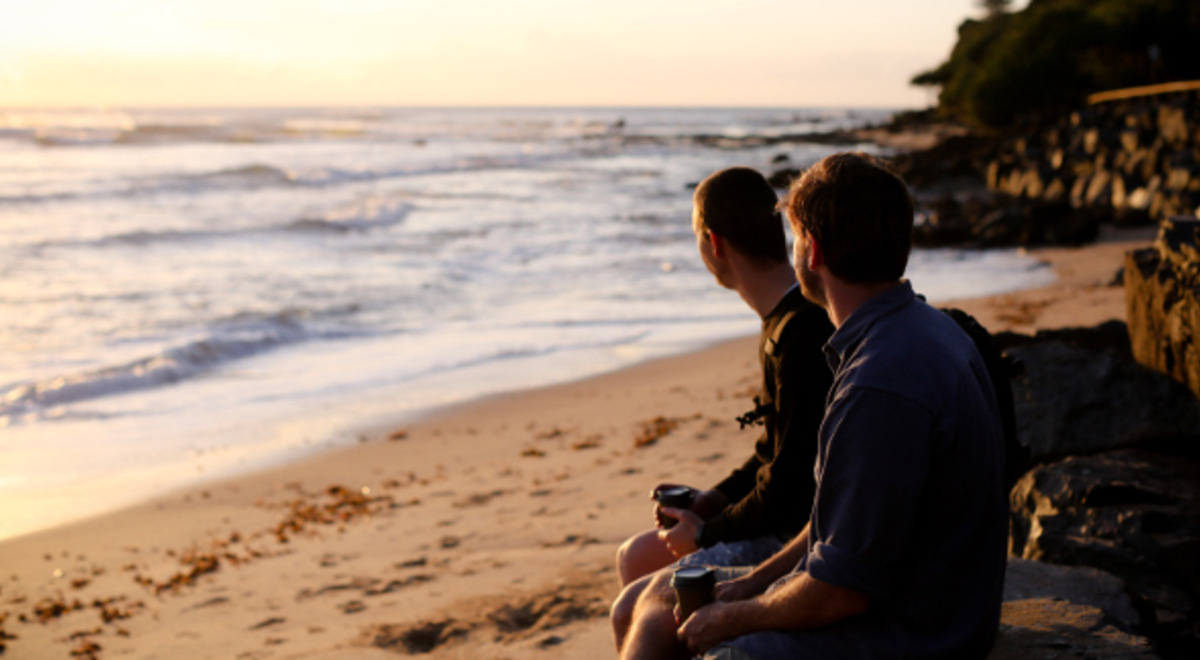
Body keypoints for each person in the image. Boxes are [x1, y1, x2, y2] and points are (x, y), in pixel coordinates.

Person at [618, 152, 1008, 660]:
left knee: (684, 629)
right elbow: (836, 525)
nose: (791, 248)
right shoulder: (916, 330)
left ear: (814, 250)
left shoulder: (878, 384)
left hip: (914, 632)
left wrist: (733, 615)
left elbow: (840, 592)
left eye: (795, 236)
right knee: (658, 596)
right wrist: (748, 584)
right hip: (931, 602)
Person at [611, 167, 834, 647]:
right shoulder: (785, 318)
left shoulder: (801, 335)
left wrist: (708, 532)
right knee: (636, 556)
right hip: (790, 515)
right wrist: (712, 499)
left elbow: (790, 486)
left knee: (631, 605)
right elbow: (774, 451)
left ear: (714, 243)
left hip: (801, 537)